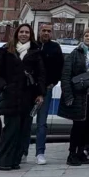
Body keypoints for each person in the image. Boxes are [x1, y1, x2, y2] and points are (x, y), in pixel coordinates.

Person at [0, 25, 45, 171]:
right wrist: (4, 87)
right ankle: (3, 161)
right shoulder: (5, 50)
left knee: (23, 130)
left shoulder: (36, 52)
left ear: (31, 35)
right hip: (10, 96)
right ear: (17, 33)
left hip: (28, 97)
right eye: (21, 32)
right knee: (10, 129)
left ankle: (15, 161)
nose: (24, 34)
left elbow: (41, 75)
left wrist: (40, 93)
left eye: (27, 32)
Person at [59, 27, 89, 166]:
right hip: (79, 95)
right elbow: (66, 75)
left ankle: (81, 152)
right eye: (86, 35)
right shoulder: (76, 53)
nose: (88, 38)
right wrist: (68, 95)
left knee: (88, 126)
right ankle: (72, 154)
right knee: (78, 126)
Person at [27, 23, 63, 165]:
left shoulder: (55, 48)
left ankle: (40, 153)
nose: (46, 33)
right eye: (44, 30)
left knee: (42, 123)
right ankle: (23, 151)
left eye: (49, 31)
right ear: (39, 31)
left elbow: (60, 68)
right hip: (28, 90)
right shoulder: (31, 45)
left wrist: (53, 83)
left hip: (46, 90)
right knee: (26, 122)